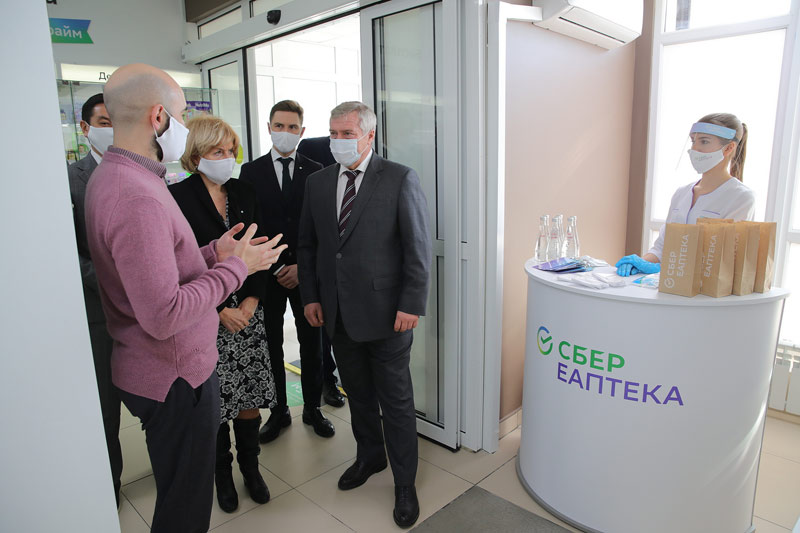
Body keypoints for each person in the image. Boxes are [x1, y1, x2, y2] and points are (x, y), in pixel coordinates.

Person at [84, 63, 286, 533]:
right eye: (180, 116)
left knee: (183, 492)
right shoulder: (137, 194)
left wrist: (215, 252)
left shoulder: (122, 177)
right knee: (185, 507)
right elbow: (164, 313)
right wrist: (237, 268)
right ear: (158, 117)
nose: (183, 128)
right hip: (173, 374)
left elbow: (159, 266)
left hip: (158, 365)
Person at [298, 101, 432, 528]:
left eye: (347, 133)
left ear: (369, 135)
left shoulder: (398, 178)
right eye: (333, 133)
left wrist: (411, 303)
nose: (338, 141)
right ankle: (370, 456)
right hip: (337, 314)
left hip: (389, 315)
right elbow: (309, 246)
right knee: (357, 393)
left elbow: (417, 247)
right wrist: (311, 296)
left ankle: (405, 483)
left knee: (396, 400)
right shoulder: (319, 182)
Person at [169, 115, 276, 514]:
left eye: (231, 150)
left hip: (247, 313)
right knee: (213, 403)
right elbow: (179, 266)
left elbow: (260, 249)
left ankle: (251, 468)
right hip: (202, 316)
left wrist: (252, 301)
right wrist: (218, 310)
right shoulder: (176, 198)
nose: (227, 158)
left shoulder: (244, 191)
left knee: (249, 395)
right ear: (196, 155)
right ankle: (222, 475)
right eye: (218, 151)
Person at [239, 100, 336, 442]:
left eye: (292, 127)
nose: (285, 132)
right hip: (267, 273)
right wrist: (279, 265)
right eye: (279, 126)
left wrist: (301, 267)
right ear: (269, 128)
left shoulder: (318, 170)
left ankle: (312, 408)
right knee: (272, 344)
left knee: (312, 344)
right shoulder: (251, 172)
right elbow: (249, 224)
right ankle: (278, 411)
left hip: (307, 274)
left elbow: (324, 226)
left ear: (302, 131)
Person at [67, 93, 122, 507]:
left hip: (146, 310)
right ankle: (110, 484)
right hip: (99, 308)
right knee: (106, 406)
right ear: (85, 128)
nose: (112, 130)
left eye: (116, 121)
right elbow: (69, 249)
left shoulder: (144, 172)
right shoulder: (70, 180)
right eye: (104, 122)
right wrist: (110, 281)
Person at [616, 112, 755, 276]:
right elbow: (662, 248)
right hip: (669, 284)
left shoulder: (741, 198)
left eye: (704, 141)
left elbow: (723, 260)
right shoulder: (681, 193)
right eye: (693, 141)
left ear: (729, 148)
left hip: (705, 290)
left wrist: (665, 268)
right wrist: (640, 263)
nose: (694, 149)